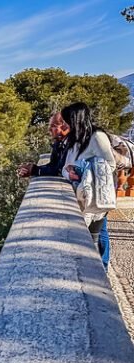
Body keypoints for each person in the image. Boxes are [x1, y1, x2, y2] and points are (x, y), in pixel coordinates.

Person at [60, 102, 115, 269]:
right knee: (91, 234)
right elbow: (65, 166)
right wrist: (68, 172)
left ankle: (102, 268)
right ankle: (95, 267)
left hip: (96, 195)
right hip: (77, 195)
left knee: (97, 234)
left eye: (67, 120)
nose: (65, 124)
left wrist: (83, 170)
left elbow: (109, 165)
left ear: (76, 119)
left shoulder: (97, 137)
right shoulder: (73, 140)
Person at [17, 112, 70, 178]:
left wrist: (34, 170)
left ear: (65, 127)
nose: (49, 129)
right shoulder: (58, 144)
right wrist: (32, 169)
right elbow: (52, 166)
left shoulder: (72, 145)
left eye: (53, 126)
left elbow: (59, 170)